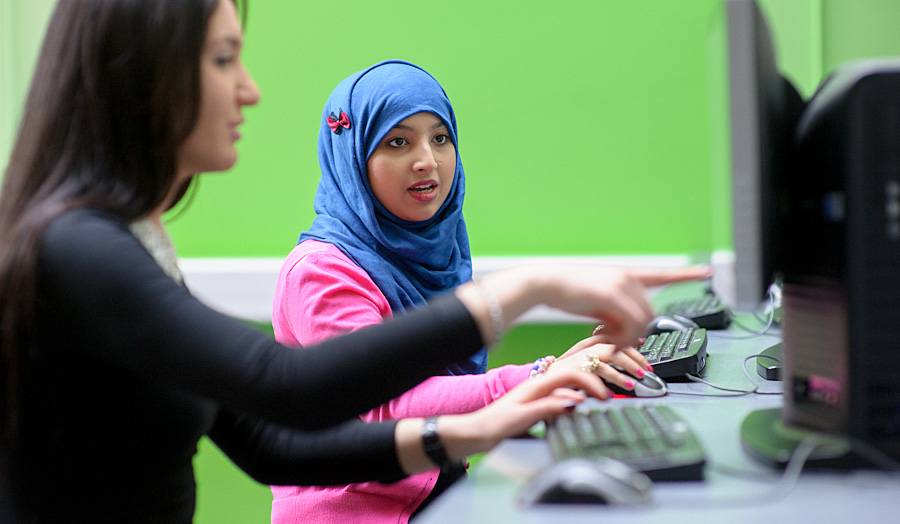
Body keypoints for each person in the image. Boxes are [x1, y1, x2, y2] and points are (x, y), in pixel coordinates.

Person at [0, 1, 710, 522]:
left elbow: (266, 441)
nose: (249, 88)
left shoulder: (128, 238)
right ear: (143, 78)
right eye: (223, 60)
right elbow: (288, 386)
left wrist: (473, 431)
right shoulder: (77, 249)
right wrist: (524, 294)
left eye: (438, 139)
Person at [269, 60, 697, 523]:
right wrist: (535, 379)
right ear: (353, 158)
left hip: (431, 494)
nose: (427, 161)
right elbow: (385, 405)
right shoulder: (322, 272)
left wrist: (564, 367)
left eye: (440, 137)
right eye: (397, 141)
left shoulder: (435, 251)